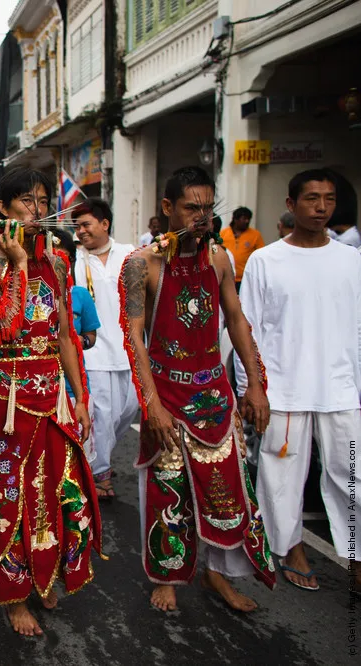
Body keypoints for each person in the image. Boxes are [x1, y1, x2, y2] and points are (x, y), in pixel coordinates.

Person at [119, 166, 275, 613]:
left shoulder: (220, 259)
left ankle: (216, 574)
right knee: (169, 489)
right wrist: (152, 405)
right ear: (168, 208)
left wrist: (255, 386)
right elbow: (134, 336)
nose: (202, 217)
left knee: (227, 490)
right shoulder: (140, 264)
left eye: (208, 208)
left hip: (215, 396)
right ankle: (168, 576)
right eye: (192, 208)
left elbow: (237, 321)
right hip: (167, 394)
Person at [0, 167, 100, 636]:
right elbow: (6, 326)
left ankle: (46, 572)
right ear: (3, 208)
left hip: (53, 392)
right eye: (27, 200)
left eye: (43, 200)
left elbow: (64, 333)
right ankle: (13, 593)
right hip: (7, 394)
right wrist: (19, 263)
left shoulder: (60, 262)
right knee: (9, 492)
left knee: (56, 487)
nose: (38, 210)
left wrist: (79, 395)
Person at [237, 168, 361, 592]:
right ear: (291, 205)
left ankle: (357, 553)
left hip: (341, 388)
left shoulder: (351, 260)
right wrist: (249, 388)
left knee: (353, 473)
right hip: (283, 388)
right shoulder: (266, 260)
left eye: (328, 198)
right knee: (282, 472)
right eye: (312, 198)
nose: (322, 207)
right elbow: (246, 328)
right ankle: (290, 547)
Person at [71, 198, 138, 499]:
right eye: (77, 227)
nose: (81, 232)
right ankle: (99, 474)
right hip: (94, 352)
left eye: (86, 225)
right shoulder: (75, 260)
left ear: (105, 223)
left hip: (129, 349)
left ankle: (94, 462)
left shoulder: (130, 255)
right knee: (102, 416)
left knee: (129, 409)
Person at [52, 228, 100, 462]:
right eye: (51, 259)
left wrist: (78, 341)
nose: (57, 267)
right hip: (43, 392)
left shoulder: (80, 295)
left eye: (64, 259)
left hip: (74, 391)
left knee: (77, 463)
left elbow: (91, 337)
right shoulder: (29, 297)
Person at [219, 207, 264, 292]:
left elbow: (261, 255)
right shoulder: (223, 233)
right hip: (227, 278)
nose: (247, 221)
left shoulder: (255, 235)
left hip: (246, 278)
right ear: (236, 219)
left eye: (248, 219)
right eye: (244, 218)